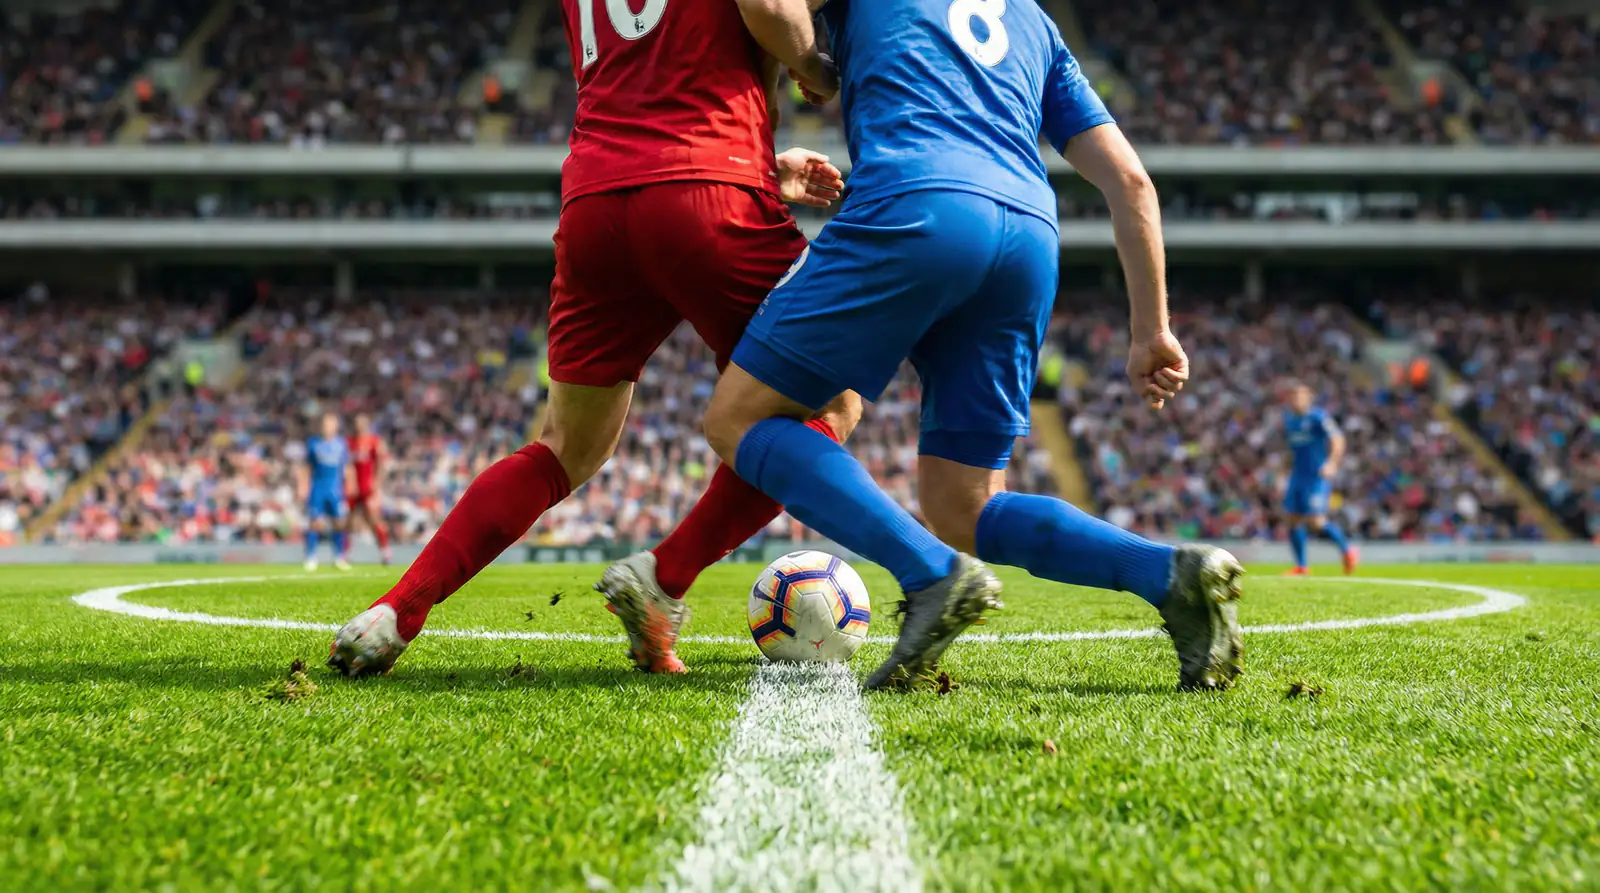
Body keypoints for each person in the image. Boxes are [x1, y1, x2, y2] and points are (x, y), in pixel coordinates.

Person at [698, 0, 1245, 690]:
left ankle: (931, 574)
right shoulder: (1037, 24)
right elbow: (1130, 181)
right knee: (965, 504)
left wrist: (814, 66)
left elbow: (770, 6)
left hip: (916, 201)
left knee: (737, 418)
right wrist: (1152, 330)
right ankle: (1169, 573)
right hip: (1028, 236)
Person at [327, 0, 861, 676]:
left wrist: (757, 162)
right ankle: (664, 578)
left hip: (597, 197)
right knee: (830, 401)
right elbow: (767, 7)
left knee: (565, 447)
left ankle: (396, 610)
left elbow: (648, 67)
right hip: (710, 185)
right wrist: (813, 65)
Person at [1281, 383, 1358, 575]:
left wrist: (1332, 463)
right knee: (1292, 519)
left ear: (1308, 398)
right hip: (1297, 476)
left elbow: (1338, 439)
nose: (1295, 401)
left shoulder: (1318, 417)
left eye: (1299, 396)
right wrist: (1284, 470)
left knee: (1315, 522)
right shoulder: (1290, 421)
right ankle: (1302, 566)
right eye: (1292, 397)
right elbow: (1292, 450)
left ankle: (1347, 551)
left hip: (1316, 477)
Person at [300, 412, 353, 573]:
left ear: (336, 426)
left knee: (339, 522)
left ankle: (339, 557)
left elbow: (347, 466)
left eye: (330, 424)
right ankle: (311, 557)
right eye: (325, 424)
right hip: (318, 487)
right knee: (315, 522)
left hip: (335, 488)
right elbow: (307, 466)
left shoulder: (342, 444)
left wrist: (350, 484)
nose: (327, 427)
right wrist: (303, 485)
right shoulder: (313, 443)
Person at [346, 413, 392, 567]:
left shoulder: (374, 441)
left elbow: (382, 464)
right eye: (356, 423)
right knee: (349, 520)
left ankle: (385, 552)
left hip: (368, 487)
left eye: (361, 422)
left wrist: (377, 483)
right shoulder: (349, 442)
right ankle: (345, 554)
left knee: (373, 519)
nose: (358, 426)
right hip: (353, 488)